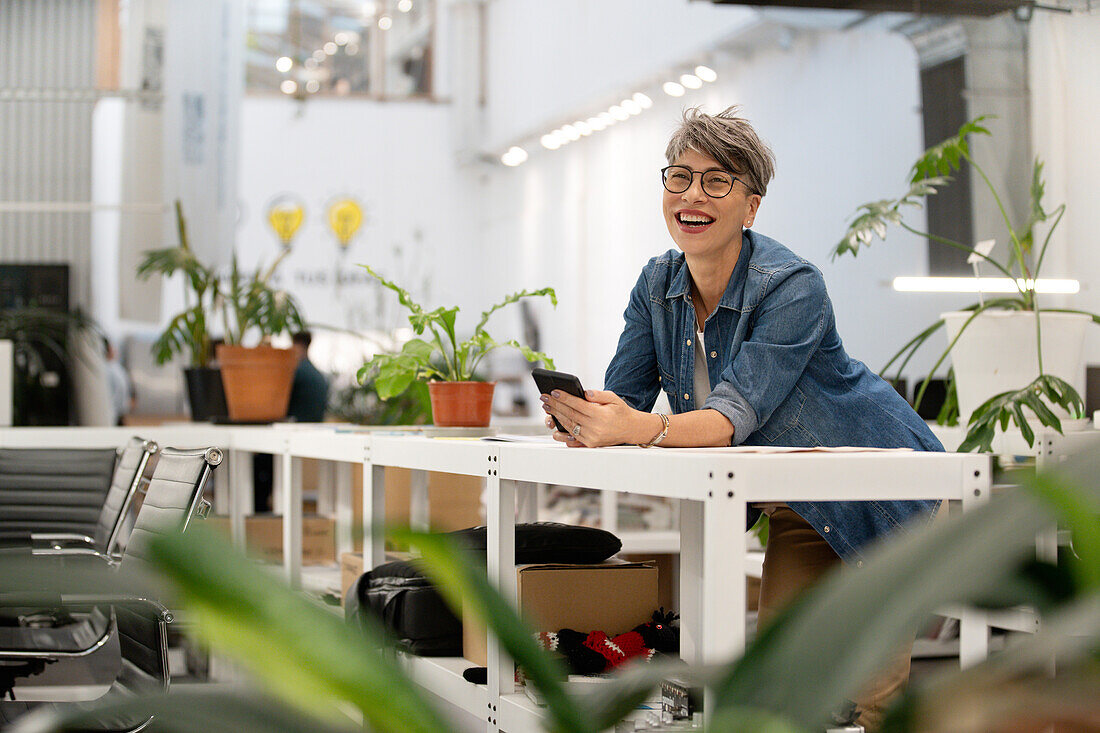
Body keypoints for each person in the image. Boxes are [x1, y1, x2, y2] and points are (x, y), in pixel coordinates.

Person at [541, 106, 943, 731]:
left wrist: (636, 428)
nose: (692, 195)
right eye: (679, 177)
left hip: (882, 494)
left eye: (716, 181)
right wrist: (585, 416)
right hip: (799, 504)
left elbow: (729, 419)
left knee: (878, 699)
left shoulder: (792, 286)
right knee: (779, 687)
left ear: (750, 207)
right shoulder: (657, 285)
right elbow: (627, 397)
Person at [287, 331, 329, 423]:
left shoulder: (299, 372)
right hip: (316, 423)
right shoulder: (318, 374)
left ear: (298, 346)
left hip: (299, 423)